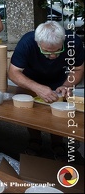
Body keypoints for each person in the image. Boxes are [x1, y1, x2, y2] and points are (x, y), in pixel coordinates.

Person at [8, 21, 84, 160]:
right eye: (47, 51)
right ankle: (35, 140)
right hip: (30, 79)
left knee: (58, 111)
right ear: (38, 43)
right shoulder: (27, 42)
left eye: (58, 50)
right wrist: (36, 87)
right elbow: (13, 73)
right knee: (31, 112)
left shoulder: (73, 41)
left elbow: (78, 69)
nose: (53, 56)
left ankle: (57, 143)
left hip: (59, 79)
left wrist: (67, 86)